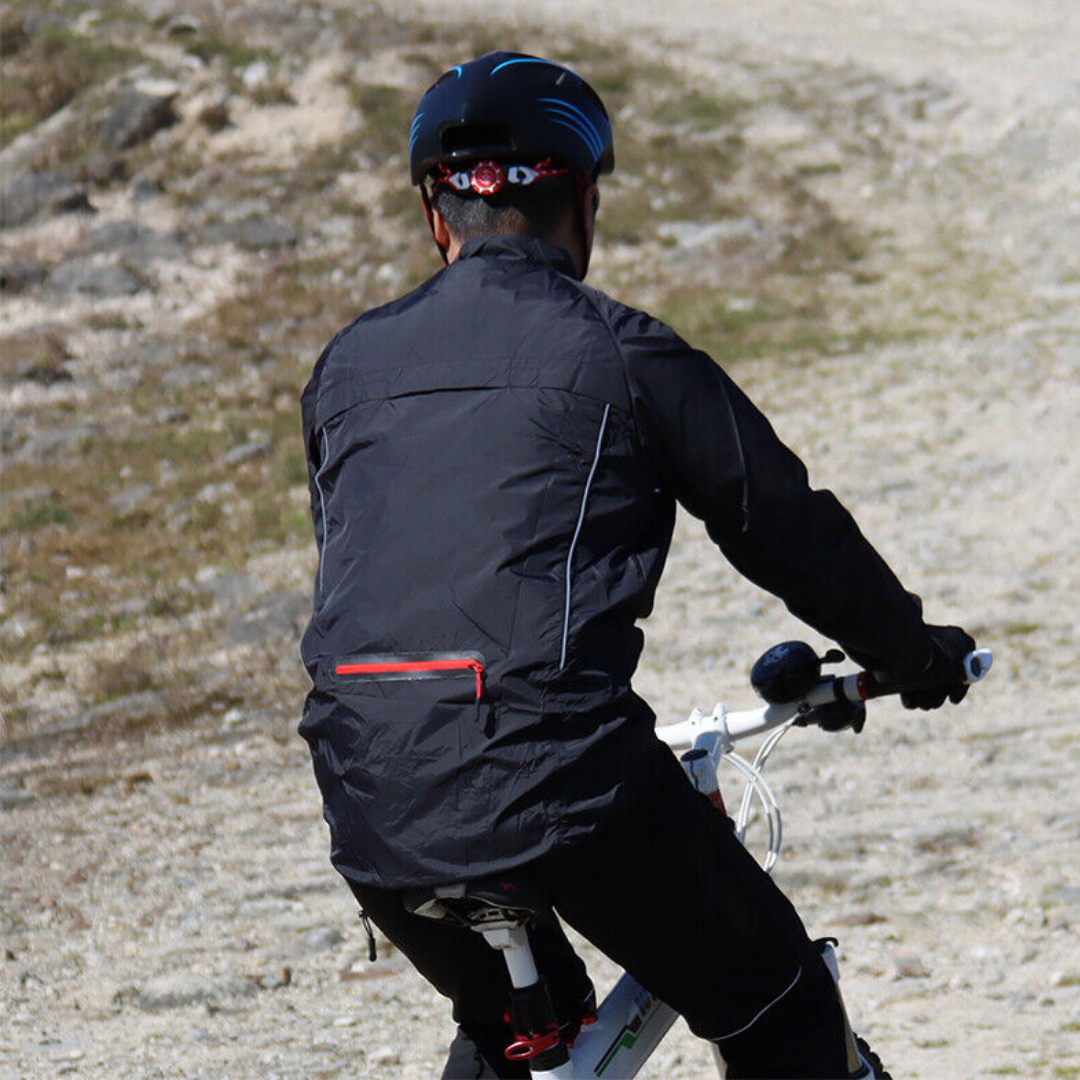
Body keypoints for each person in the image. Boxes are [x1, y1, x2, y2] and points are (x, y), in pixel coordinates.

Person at [299, 51, 975, 1079]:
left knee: (519, 1035)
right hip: (560, 779)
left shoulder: (345, 369)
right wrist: (910, 654)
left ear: (437, 218)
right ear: (584, 202)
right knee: (777, 1004)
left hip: (366, 787)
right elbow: (783, 525)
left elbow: (367, 570)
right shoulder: (623, 353)